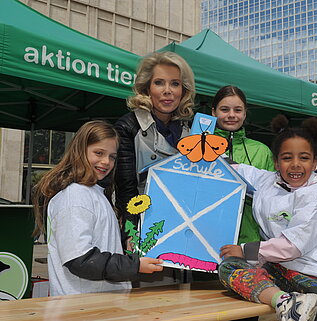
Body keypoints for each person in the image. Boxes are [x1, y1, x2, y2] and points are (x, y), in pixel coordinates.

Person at [218, 115, 317, 321]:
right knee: (228, 267)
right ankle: (285, 302)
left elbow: (291, 246)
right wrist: (210, 155)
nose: (295, 164)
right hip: (279, 270)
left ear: (315, 163)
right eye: (287, 157)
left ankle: (304, 302)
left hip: (316, 271)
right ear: (276, 162)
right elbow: (238, 170)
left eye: (304, 157)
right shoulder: (268, 180)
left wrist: (246, 250)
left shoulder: (315, 195)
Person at [32, 120, 163, 296]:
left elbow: (100, 240)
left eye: (112, 156)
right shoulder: (75, 196)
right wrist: (134, 265)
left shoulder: (94, 192)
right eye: (99, 153)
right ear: (80, 150)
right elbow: (81, 259)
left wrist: (124, 240)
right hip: (81, 307)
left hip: (98, 305)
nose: (106, 162)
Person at [114, 51, 195, 244]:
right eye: (159, 82)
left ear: (183, 90)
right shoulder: (128, 126)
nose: (168, 91)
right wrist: (132, 233)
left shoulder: (192, 129)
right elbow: (126, 190)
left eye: (175, 83)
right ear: (147, 88)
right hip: (144, 224)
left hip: (183, 224)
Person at [211, 85, 275, 243]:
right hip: (207, 236)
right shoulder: (199, 147)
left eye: (238, 110)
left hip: (251, 241)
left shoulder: (262, 151)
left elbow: (273, 199)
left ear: (245, 113)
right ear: (214, 112)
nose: (231, 115)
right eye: (224, 109)